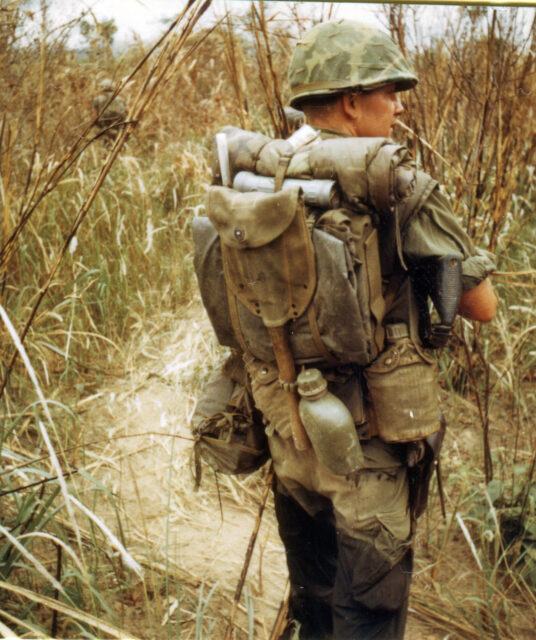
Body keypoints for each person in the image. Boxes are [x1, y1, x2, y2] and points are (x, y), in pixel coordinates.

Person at [198, 19, 498, 640]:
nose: (400, 103)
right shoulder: (397, 184)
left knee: (313, 596)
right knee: (368, 614)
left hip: (292, 438)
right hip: (369, 449)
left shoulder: (257, 179)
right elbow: (483, 305)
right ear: (353, 102)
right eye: (390, 90)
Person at [92, 78, 127, 142]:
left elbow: (94, 116)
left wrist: (95, 125)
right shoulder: (121, 99)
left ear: (103, 88)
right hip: (119, 124)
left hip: (105, 125)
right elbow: (127, 111)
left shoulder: (97, 99)